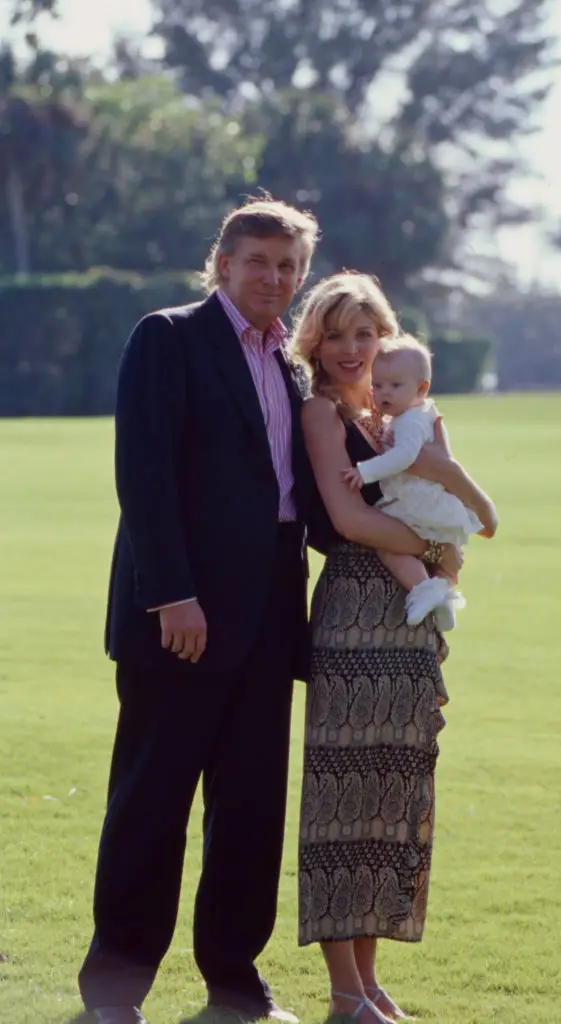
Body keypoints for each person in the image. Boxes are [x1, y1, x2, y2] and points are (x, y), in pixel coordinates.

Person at [78, 196, 323, 1024]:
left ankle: (235, 983)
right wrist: (172, 596)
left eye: (288, 266)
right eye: (258, 261)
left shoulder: (292, 361)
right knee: (150, 808)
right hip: (179, 618)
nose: (274, 277)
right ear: (222, 264)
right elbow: (143, 476)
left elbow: (302, 493)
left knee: (250, 810)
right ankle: (114, 992)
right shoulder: (169, 337)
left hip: (270, 618)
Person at [290, 272, 498, 1024]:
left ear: (387, 339)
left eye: (365, 334)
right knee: (341, 802)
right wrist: (438, 549)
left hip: (407, 615)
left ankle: (370, 983)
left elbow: (445, 490)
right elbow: (350, 520)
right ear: (314, 342)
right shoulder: (321, 413)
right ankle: (344, 991)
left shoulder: (394, 412)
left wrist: (448, 532)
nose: (352, 350)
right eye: (336, 335)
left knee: (388, 798)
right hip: (354, 610)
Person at [341, 332, 485, 630]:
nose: (384, 393)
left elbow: (404, 456)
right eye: (378, 385)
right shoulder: (413, 415)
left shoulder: (411, 421)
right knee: (442, 557)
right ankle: (441, 594)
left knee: (388, 546)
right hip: (425, 499)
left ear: (421, 388)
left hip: (415, 500)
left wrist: (365, 471)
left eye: (395, 386)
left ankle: (423, 588)